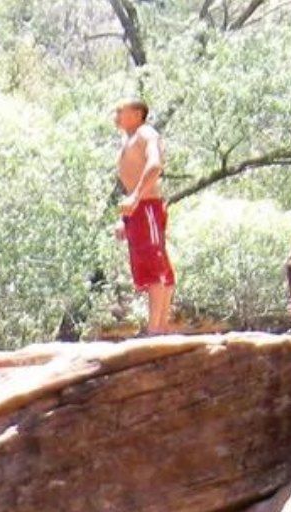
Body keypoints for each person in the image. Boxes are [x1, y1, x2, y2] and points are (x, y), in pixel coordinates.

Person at [114, 97, 175, 336]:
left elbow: (155, 164)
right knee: (148, 263)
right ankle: (158, 327)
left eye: (121, 110)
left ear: (138, 113)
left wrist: (137, 197)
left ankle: (156, 328)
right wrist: (125, 217)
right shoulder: (126, 140)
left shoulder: (146, 133)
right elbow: (129, 179)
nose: (116, 114)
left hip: (147, 205)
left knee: (155, 263)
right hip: (137, 208)